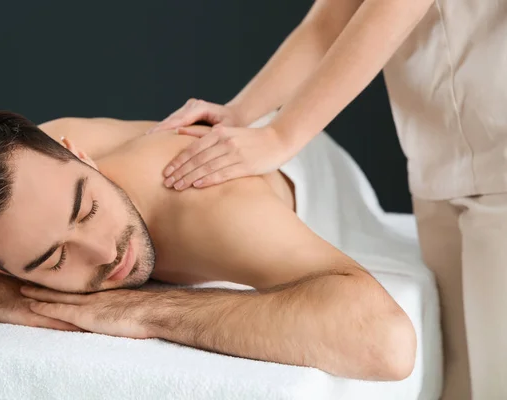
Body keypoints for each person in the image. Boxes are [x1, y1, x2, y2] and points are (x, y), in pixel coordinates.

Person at [147, 0, 507, 398]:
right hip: (440, 164)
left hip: (494, 155)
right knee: (456, 385)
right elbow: (331, 20)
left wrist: (279, 136)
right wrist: (242, 112)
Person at [0, 110, 416, 381]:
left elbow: (386, 344)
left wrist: (146, 309)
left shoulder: (212, 209)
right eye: (55, 259)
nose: (104, 252)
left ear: (78, 155)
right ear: (6, 270)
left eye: (87, 208)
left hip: (305, 162)